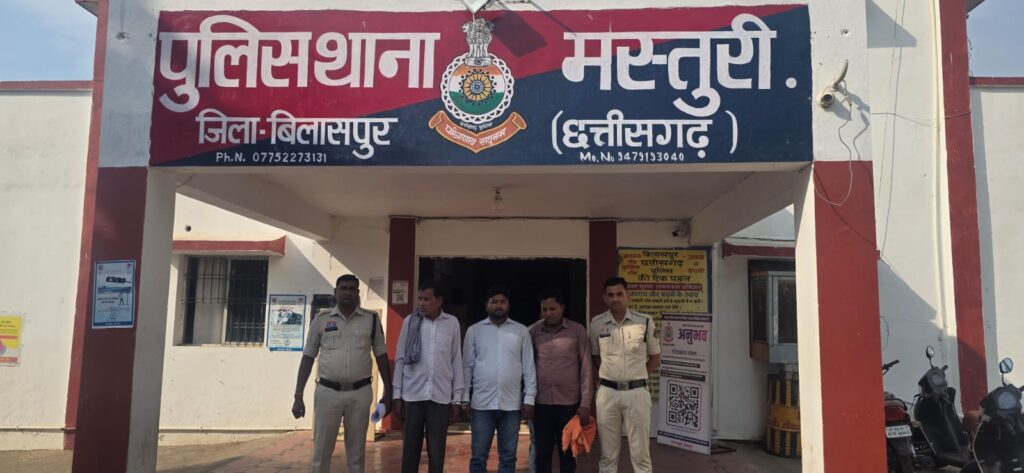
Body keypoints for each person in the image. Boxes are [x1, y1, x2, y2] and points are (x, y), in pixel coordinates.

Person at [291, 274, 392, 473]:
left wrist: (388, 392)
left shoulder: (371, 320)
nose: (348, 292)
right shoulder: (321, 320)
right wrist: (298, 395)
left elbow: (381, 355)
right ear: (335, 292)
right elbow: (308, 357)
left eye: (352, 289)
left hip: (360, 394)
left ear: (358, 293)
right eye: (343, 288)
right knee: (321, 454)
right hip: (328, 393)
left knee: (357, 456)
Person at [589, 277, 661, 473]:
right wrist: (612, 376)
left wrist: (638, 377)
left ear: (628, 295)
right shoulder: (596, 324)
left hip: (636, 393)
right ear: (604, 298)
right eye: (610, 295)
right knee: (607, 454)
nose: (615, 298)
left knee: (641, 454)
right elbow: (595, 356)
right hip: (608, 393)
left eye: (619, 294)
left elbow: (655, 357)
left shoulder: (644, 321)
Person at [463, 285, 537, 473]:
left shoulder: (521, 331)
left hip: (511, 404)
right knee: (478, 456)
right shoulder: (474, 331)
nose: (498, 305)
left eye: (502, 301)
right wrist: (464, 398)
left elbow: (529, 367)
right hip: (481, 404)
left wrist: (529, 399)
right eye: (494, 301)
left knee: (508, 456)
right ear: (486, 305)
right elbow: (467, 367)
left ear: (509, 305)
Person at [392, 281, 464, 473]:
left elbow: (456, 361)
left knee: (437, 453)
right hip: (412, 396)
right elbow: (400, 358)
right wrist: (397, 395)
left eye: (427, 299)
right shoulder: (409, 322)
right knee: (410, 452)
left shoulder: (452, 323)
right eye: (420, 298)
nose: (421, 303)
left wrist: (457, 400)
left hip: (440, 397)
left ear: (439, 301)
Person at [528, 288, 594, 473]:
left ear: (562, 308)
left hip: (569, 404)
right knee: (542, 452)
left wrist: (585, 403)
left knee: (567, 452)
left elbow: (586, 368)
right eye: (545, 309)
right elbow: (526, 367)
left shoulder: (577, 331)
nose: (548, 313)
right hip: (541, 403)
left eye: (553, 309)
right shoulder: (533, 331)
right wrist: (527, 400)